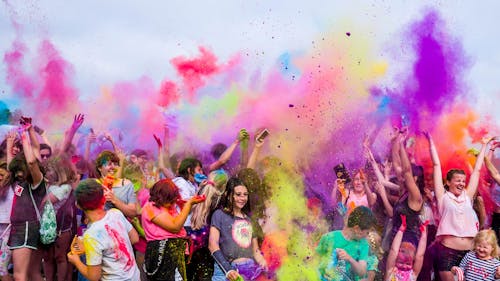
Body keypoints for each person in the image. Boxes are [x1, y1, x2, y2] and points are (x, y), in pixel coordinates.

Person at [425, 133, 495, 281]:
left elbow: (476, 170)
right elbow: (436, 165)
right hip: (447, 253)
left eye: (463, 181)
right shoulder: (443, 197)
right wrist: (431, 141)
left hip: (470, 254)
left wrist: (484, 145)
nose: (462, 184)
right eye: (458, 180)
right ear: (448, 182)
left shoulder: (467, 197)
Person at [67, 178, 140, 281]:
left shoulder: (91, 235)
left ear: (78, 205)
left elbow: (94, 277)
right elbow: (134, 238)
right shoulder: (116, 214)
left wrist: (76, 261)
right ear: (103, 199)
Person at [142, 178, 205, 280]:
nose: (172, 202)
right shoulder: (150, 208)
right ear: (161, 197)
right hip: (163, 253)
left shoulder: (168, 206)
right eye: (170, 199)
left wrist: (183, 205)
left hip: (175, 253)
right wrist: (188, 205)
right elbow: (175, 227)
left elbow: (179, 220)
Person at [8, 118, 45, 281]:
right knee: (32, 273)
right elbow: (12, 165)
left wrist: (24, 136)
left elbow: (31, 160)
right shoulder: (18, 180)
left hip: (26, 227)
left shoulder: (37, 181)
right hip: (26, 227)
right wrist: (28, 131)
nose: (16, 170)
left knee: (19, 274)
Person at [208, 177, 267, 281]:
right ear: (228, 195)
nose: (243, 198)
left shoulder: (250, 220)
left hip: (248, 272)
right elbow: (212, 245)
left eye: (245, 194)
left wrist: (264, 263)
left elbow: (256, 251)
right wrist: (228, 270)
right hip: (224, 271)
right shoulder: (219, 215)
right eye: (238, 194)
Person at [41, 154, 78, 281]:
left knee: (60, 258)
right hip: (45, 228)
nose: (47, 173)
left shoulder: (64, 187)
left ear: (58, 171)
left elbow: (44, 202)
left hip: (61, 229)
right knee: (47, 258)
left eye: (50, 169)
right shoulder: (48, 185)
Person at [316, 206, 376, 281]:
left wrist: (350, 259)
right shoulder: (329, 237)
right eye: (367, 232)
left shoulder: (363, 244)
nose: (367, 235)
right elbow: (315, 260)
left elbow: (362, 272)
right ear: (357, 229)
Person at [188, 170, 229, 281]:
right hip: (209, 249)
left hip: (195, 248)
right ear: (224, 186)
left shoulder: (202, 192)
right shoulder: (220, 201)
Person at [95, 150, 138, 218]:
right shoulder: (94, 185)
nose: (113, 167)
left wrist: (114, 199)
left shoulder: (126, 184)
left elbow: (132, 213)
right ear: (100, 168)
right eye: (109, 164)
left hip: (120, 226)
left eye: (115, 164)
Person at [385, 215, 428, 281]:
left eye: (408, 264)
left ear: (413, 262)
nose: (404, 266)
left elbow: (420, 256)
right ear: (395, 259)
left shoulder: (413, 274)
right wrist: (401, 230)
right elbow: (393, 250)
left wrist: (424, 234)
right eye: (400, 262)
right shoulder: (391, 271)